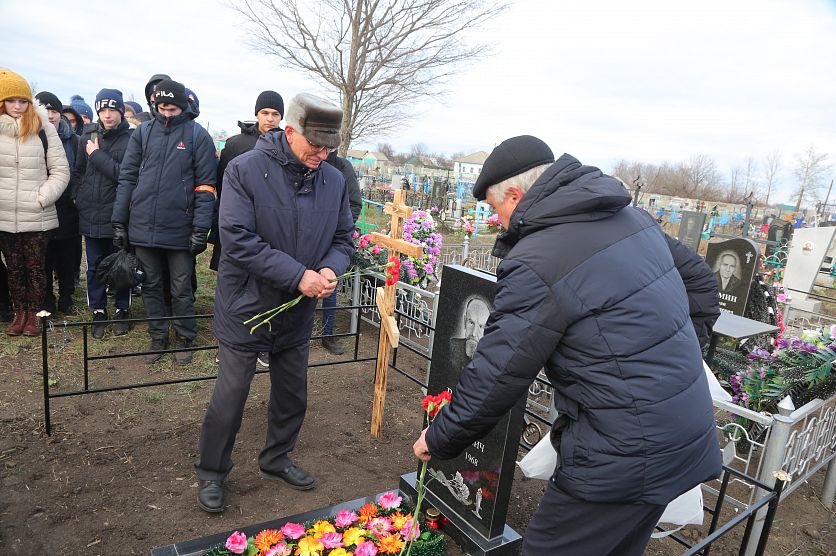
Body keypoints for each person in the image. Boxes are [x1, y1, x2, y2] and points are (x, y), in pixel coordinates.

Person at [412, 136, 722, 555]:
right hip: (682, 432)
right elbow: (702, 283)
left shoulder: (539, 259)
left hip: (619, 455)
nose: (494, 221)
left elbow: (498, 372)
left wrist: (440, 437)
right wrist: (676, 360)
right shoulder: (631, 219)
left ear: (517, 196)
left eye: (493, 207)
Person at [196, 93, 355, 513]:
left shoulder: (333, 180)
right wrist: (297, 275)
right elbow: (238, 240)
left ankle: (276, 458)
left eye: (329, 147)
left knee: (292, 392)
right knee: (231, 394)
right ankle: (212, 471)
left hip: (297, 309)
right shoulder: (244, 170)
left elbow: (342, 239)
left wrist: (330, 269)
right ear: (289, 131)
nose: (322, 154)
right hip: (247, 302)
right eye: (314, 145)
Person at [112, 79, 217, 364]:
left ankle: (185, 337)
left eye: (171, 108)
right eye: (161, 107)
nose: (166, 113)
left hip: (180, 230)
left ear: (182, 106)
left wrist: (200, 228)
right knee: (150, 285)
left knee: (182, 287)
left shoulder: (198, 136)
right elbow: (128, 178)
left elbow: (206, 186)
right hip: (142, 226)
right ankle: (158, 336)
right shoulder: (142, 133)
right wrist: (119, 221)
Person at [209, 90, 285, 368]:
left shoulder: (285, 146)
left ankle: (262, 342)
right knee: (233, 286)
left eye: (275, 114)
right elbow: (221, 184)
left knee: (267, 285)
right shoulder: (237, 143)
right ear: (256, 114)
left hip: (270, 227)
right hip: (238, 223)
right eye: (265, 112)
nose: (270, 118)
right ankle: (229, 342)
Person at [0, 69, 70, 335]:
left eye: (22, 101)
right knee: (14, 268)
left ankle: (35, 315)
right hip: (4, 213)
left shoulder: (44, 129)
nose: (17, 106)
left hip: (36, 213)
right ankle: (19, 313)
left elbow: (61, 170)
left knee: (36, 267)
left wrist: (43, 197)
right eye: (11, 100)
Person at [74, 88, 134, 338]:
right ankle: (98, 310)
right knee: (94, 266)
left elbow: (125, 175)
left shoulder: (132, 139)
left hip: (117, 213)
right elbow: (77, 171)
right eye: (102, 110)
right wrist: (78, 196)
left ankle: (123, 309)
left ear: (121, 111)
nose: (107, 115)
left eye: (112, 109)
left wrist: (96, 155)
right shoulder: (86, 136)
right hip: (90, 212)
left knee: (121, 265)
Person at [35, 91, 81, 315]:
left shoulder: (74, 141)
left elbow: (80, 172)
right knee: (43, 257)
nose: (50, 115)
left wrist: (75, 197)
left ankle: (66, 298)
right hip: (39, 206)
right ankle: (46, 299)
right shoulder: (31, 137)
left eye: (54, 111)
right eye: (46, 110)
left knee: (66, 258)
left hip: (67, 208)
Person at [319, 147, 362, 355]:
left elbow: (354, 203)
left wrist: (339, 229)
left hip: (329, 240)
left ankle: (327, 334)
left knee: (329, 285)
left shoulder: (343, 167)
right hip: (302, 237)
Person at [448, 296, 490, 372]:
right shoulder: (451, 347)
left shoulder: (490, 359)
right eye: (471, 323)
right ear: (464, 322)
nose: (474, 333)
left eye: (480, 326)